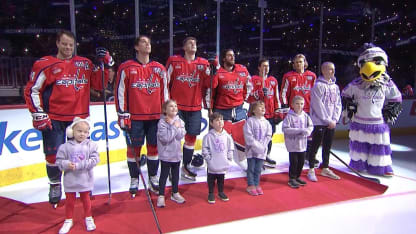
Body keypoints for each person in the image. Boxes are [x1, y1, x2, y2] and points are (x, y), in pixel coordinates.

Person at [24, 30, 113, 206]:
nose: (68, 47)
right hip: (55, 117)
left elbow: (99, 84)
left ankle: (82, 185)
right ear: (57, 43)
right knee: (53, 154)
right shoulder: (45, 64)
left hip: (79, 119)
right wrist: (38, 113)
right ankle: (55, 184)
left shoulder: (85, 64)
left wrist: (106, 63)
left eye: (71, 45)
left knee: (80, 154)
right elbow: (33, 89)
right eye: (64, 44)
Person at [114, 35, 168, 196]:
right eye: (144, 42)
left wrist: (166, 114)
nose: (148, 45)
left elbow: (165, 93)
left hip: (155, 117)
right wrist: (122, 114)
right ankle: (134, 178)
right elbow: (120, 92)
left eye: (149, 42)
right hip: (135, 117)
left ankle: (153, 177)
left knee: (153, 148)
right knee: (133, 149)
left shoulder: (159, 68)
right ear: (136, 47)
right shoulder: (126, 67)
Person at [341, 44, 402, 176]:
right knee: (358, 145)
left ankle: (381, 166)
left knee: (379, 146)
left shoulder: (387, 84)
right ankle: (358, 164)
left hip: (377, 122)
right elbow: (344, 94)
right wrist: (350, 107)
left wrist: (390, 111)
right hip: (359, 121)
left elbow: (396, 98)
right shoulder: (356, 84)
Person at [166, 37, 210, 181]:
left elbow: (209, 83)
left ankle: (185, 166)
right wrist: (166, 105)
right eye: (190, 43)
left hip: (195, 107)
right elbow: (165, 82)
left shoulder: (203, 64)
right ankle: (173, 168)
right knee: (174, 138)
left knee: (191, 138)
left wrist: (212, 68)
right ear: (184, 47)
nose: (193, 44)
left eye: (195, 43)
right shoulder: (174, 61)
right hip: (176, 109)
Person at [206, 48, 253, 170]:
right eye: (229, 55)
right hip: (222, 111)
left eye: (233, 55)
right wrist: (209, 108)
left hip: (238, 110)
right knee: (218, 140)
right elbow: (210, 91)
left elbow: (249, 85)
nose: (232, 57)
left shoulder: (242, 70)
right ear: (223, 58)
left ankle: (242, 161)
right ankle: (215, 165)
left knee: (242, 137)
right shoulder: (218, 73)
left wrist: (243, 99)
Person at [55, 117, 100, 233]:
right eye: (79, 131)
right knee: (69, 201)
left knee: (86, 199)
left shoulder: (92, 145)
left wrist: (80, 165)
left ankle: (88, 217)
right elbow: (59, 162)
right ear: (72, 131)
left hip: (85, 179)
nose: (82, 134)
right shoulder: (64, 147)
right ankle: (68, 220)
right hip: (70, 180)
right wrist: (66, 164)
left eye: (85, 132)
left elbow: (95, 160)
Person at [307, 62, 342, 182]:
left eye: (333, 69)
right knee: (315, 146)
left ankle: (325, 167)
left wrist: (335, 119)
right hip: (319, 122)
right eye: (330, 69)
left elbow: (338, 104)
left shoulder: (335, 87)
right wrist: (327, 120)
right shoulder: (318, 86)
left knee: (327, 146)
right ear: (323, 71)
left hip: (331, 122)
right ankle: (311, 168)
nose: (332, 72)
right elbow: (318, 105)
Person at [247, 58, 283, 168]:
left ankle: (265, 156)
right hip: (257, 115)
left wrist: (278, 111)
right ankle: (255, 159)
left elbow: (276, 97)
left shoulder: (273, 81)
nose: (266, 68)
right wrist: (258, 93)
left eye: (267, 66)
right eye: (263, 66)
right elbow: (248, 97)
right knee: (257, 138)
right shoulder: (253, 79)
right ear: (259, 67)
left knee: (269, 137)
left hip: (270, 114)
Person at [156, 100, 186, 207]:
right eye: (171, 106)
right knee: (164, 175)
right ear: (165, 110)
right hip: (166, 155)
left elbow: (180, 135)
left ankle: (175, 192)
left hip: (176, 154)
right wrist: (174, 126)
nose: (174, 108)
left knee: (175, 175)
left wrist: (174, 124)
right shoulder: (162, 123)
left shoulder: (180, 121)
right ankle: (161, 195)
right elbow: (166, 138)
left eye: (175, 106)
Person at [202, 112, 234, 204]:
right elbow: (205, 148)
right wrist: (208, 159)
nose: (220, 122)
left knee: (221, 177)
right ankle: (211, 193)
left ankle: (221, 191)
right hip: (212, 162)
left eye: (221, 120)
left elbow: (230, 147)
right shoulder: (208, 137)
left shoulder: (227, 136)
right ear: (211, 123)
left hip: (223, 161)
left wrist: (229, 158)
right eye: (217, 120)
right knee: (211, 178)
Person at [282, 96, 314, 188]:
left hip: (302, 144)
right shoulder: (289, 117)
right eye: (297, 104)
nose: (299, 106)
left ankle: (298, 176)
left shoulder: (305, 116)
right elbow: (285, 129)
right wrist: (299, 131)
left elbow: (310, 126)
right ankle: (292, 178)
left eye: (301, 104)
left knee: (301, 161)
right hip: (293, 144)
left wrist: (308, 131)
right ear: (292, 105)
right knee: (294, 162)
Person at [243, 101, 272, 195]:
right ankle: (250, 185)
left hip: (262, 151)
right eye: (260, 107)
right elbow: (248, 136)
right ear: (254, 110)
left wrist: (263, 146)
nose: (263, 108)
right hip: (251, 150)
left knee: (258, 168)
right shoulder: (250, 121)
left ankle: (256, 183)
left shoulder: (267, 122)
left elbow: (268, 135)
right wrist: (256, 145)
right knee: (251, 168)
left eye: (263, 107)